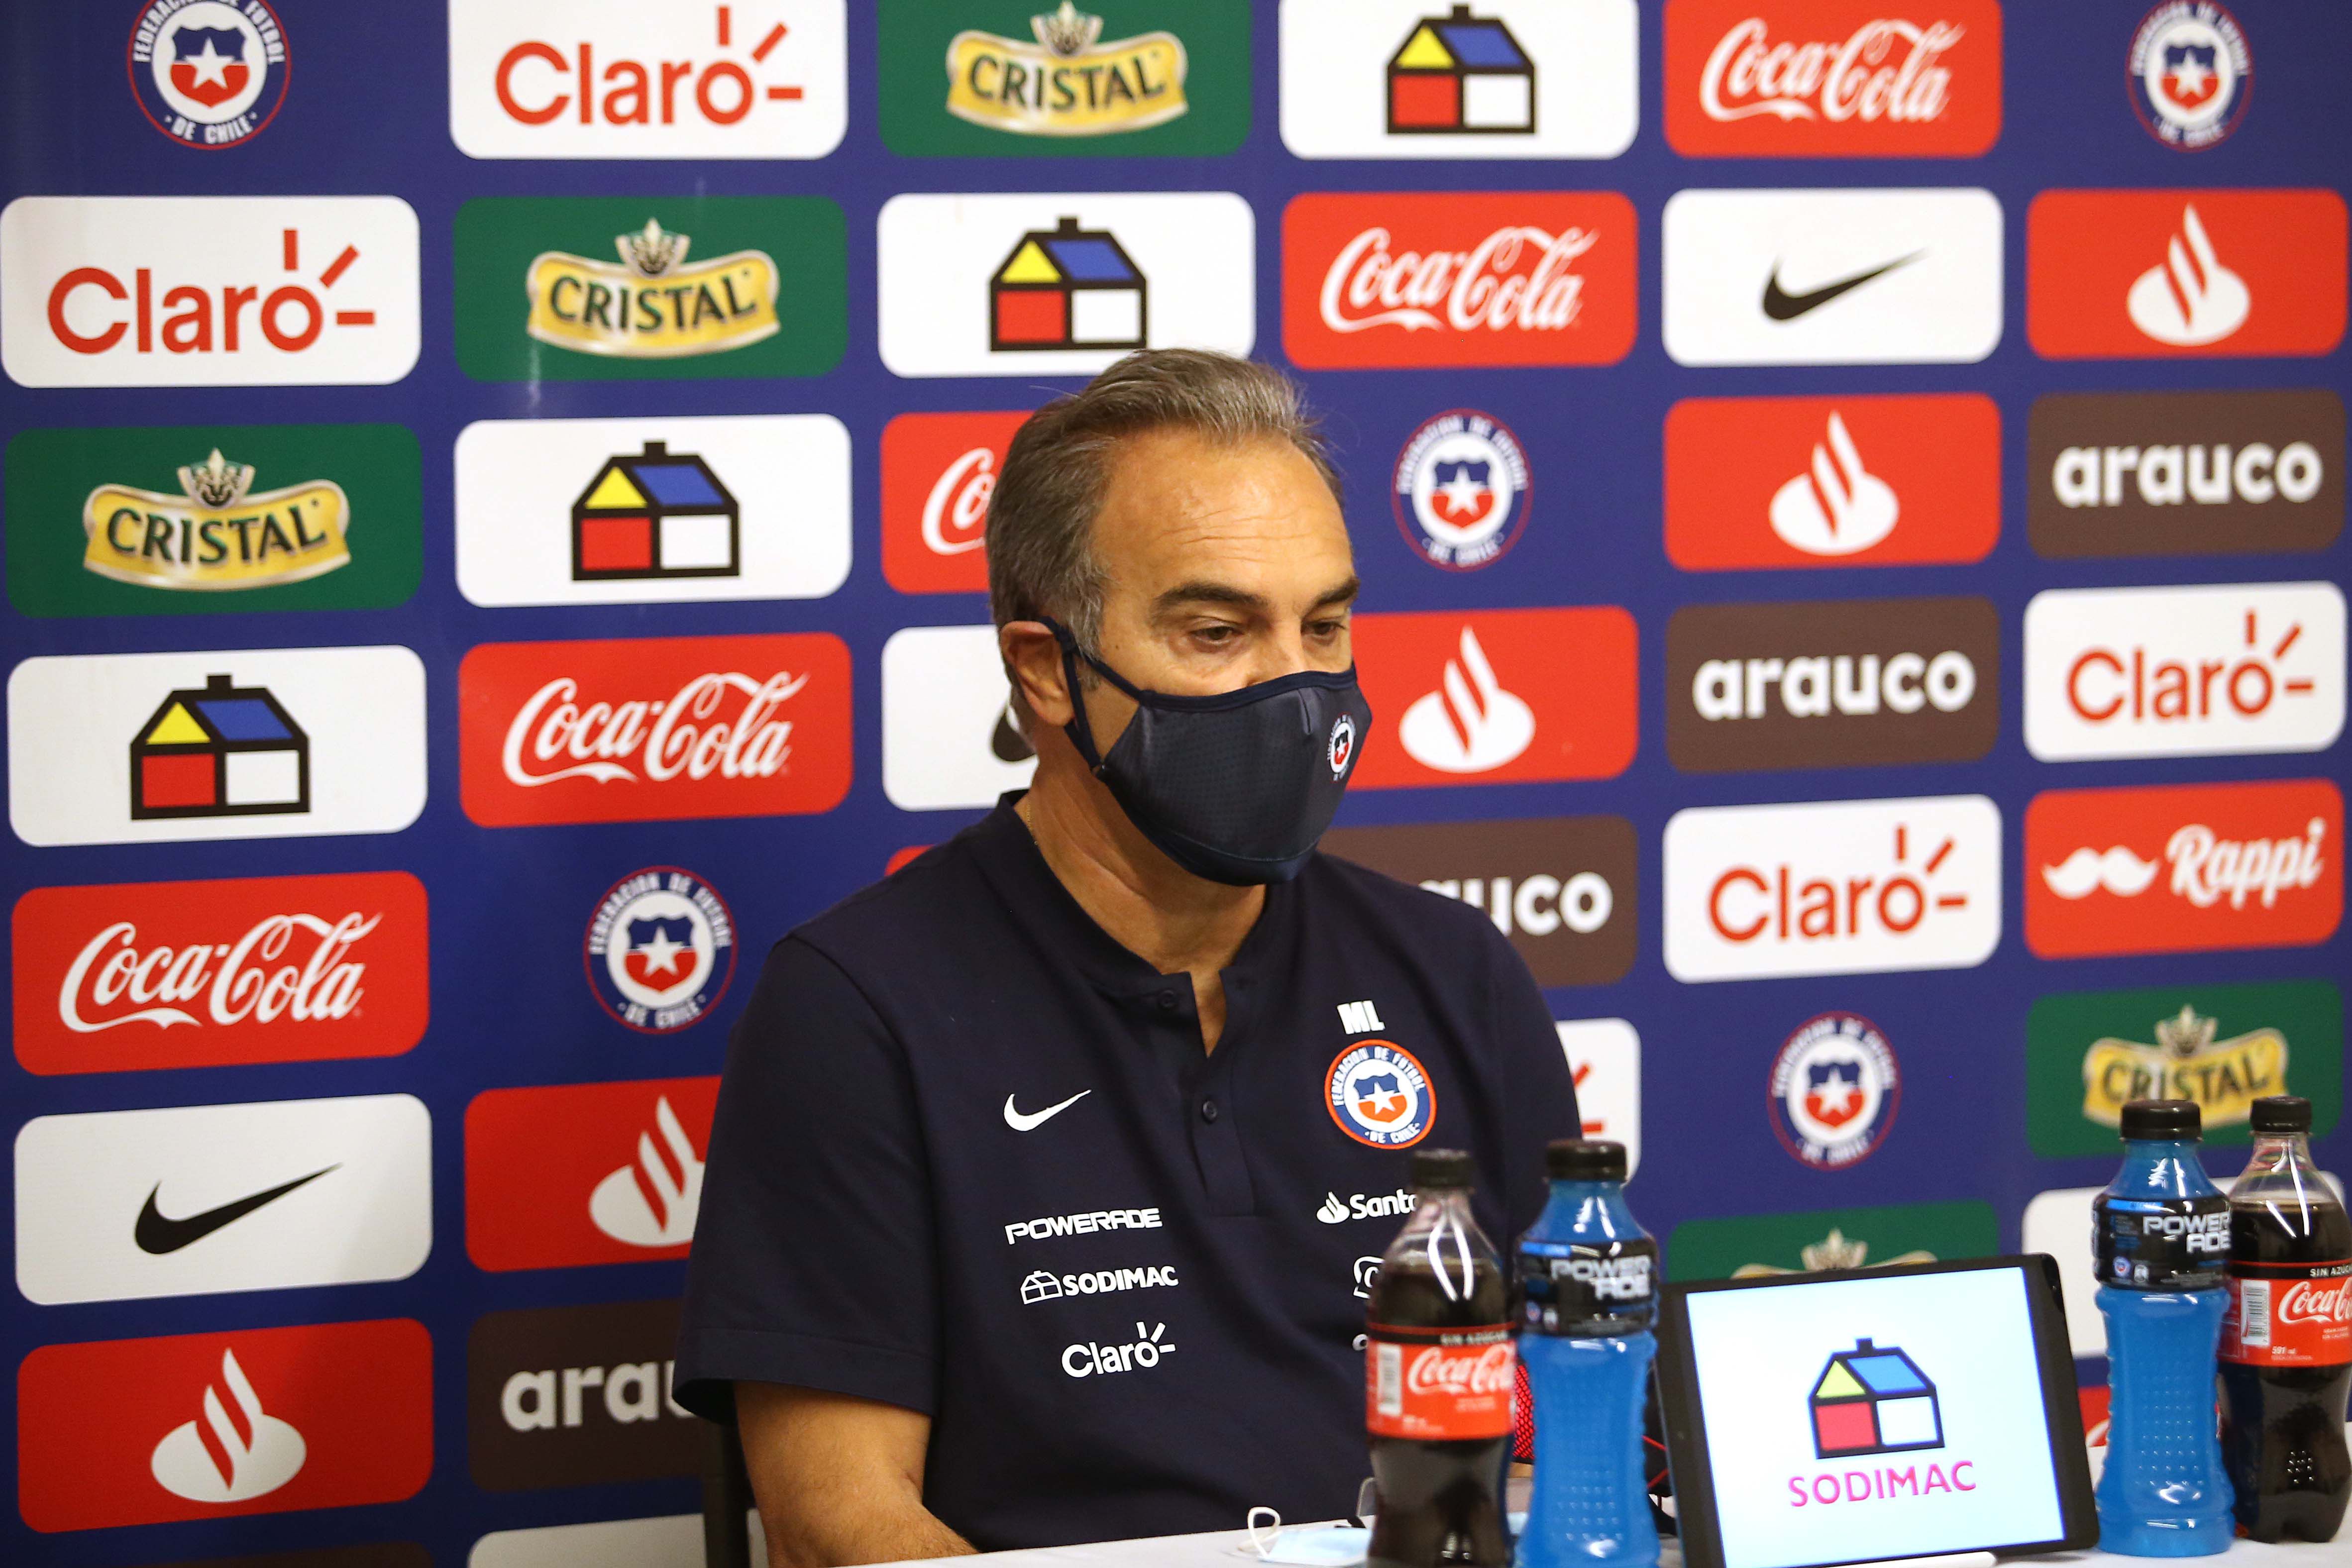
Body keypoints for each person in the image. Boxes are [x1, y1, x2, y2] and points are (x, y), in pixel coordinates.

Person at [674, 349, 1580, 1566]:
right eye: (1217, 630)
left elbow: (1573, 1413)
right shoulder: (859, 1007)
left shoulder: (1451, 970)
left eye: (1323, 626)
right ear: (1048, 669)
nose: (1296, 690)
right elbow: (840, 1524)